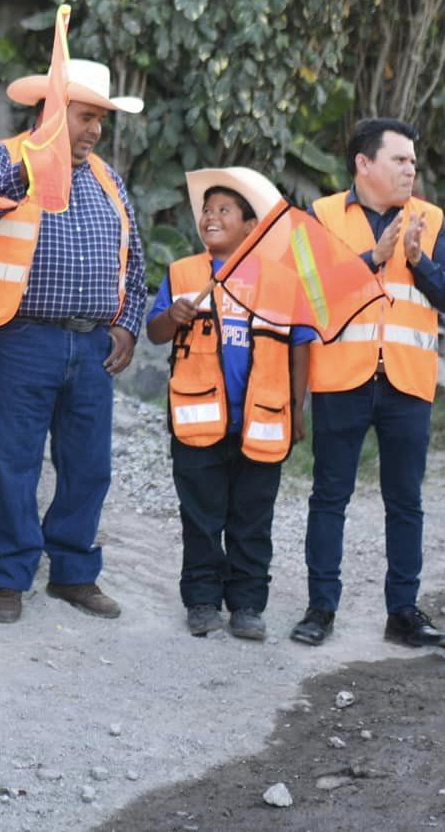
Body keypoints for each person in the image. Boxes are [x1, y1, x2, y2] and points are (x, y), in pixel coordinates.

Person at [0, 60, 147, 624]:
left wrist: (128, 324)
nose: (94, 130)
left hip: (92, 345)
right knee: (12, 462)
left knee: (89, 466)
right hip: (23, 338)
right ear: (52, 113)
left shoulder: (108, 179)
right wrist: (34, 163)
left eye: (100, 120)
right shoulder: (5, 158)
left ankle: (73, 573)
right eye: (86, 116)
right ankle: (10, 575)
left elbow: (134, 262)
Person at [290, 117, 445, 650]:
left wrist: (416, 260)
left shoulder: (430, 219)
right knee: (329, 497)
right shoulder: (318, 217)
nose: (411, 169)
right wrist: (373, 259)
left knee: (405, 500)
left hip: (407, 381)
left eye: (414, 161)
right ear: (364, 164)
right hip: (341, 376)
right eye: (400, 160)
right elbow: (305, 297)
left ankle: (404, 612)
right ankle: (321, 607)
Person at [146, 169, 310, 641]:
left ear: (250, 226)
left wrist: (297, 408)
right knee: (200, 516)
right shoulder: (184, 274)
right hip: (197, 421)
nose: (211, 217)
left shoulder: (280, 282)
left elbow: (300, 344)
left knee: (253, 519)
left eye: (224, 210)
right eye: (207, 210)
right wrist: (171, 318)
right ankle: (201, 600)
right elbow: (156, 334)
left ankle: (247, 605)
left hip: (263, 420)